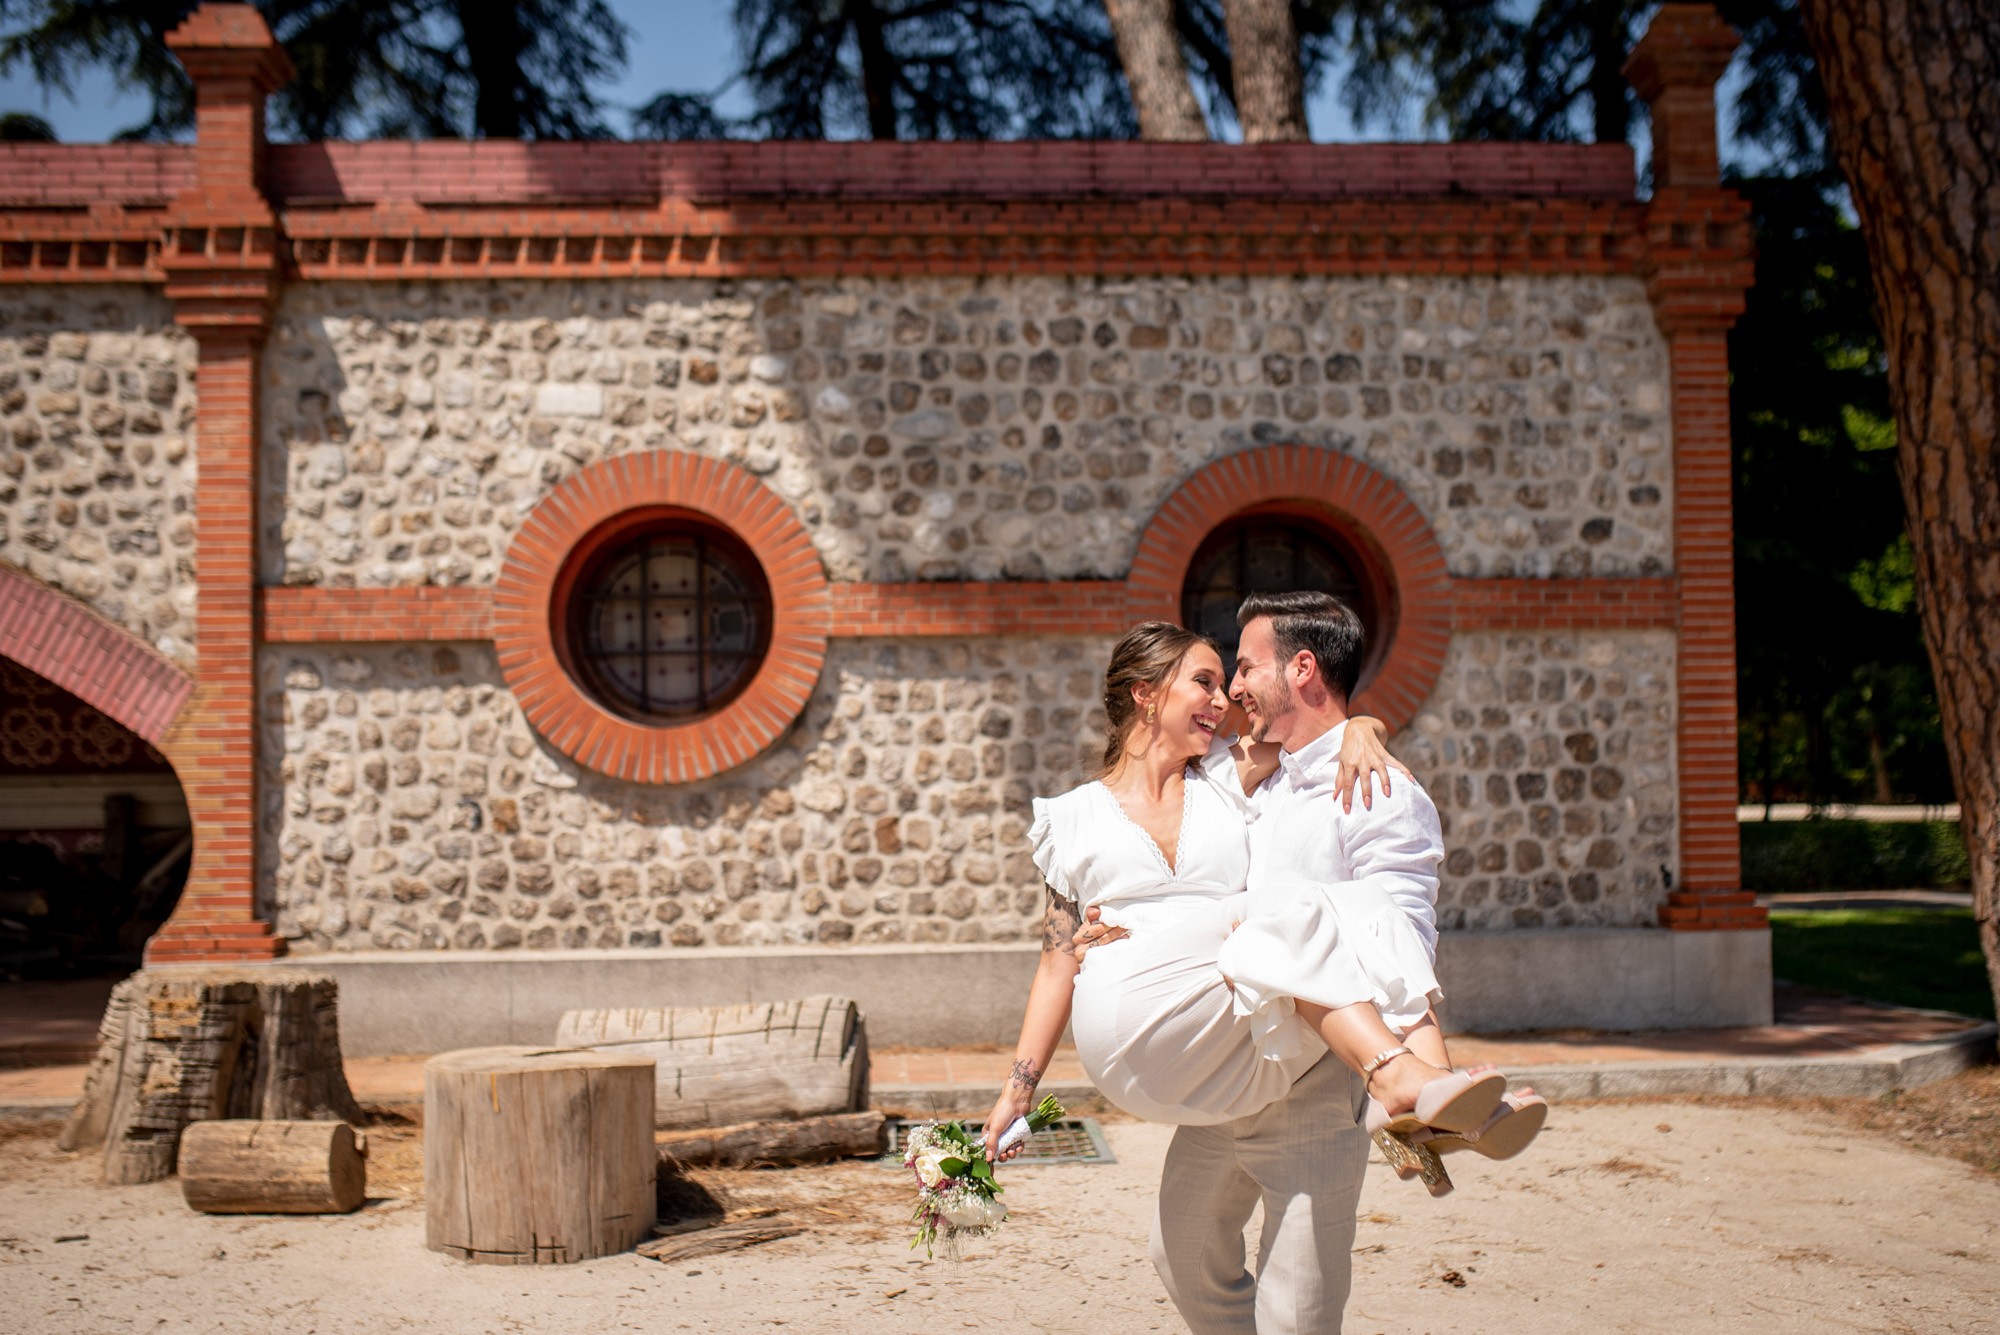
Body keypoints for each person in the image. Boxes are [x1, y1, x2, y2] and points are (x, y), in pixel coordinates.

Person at [985, 594, 1543, 1334]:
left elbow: (1323, 733)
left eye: (1232, 676)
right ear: (1145, 694)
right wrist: (1016, 1092)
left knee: (1229, 1271)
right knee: (1288, 910)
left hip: (1239, 1033)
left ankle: (1418, 1085)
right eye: (1206, 682)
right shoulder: (1074, 815)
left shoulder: (1228, 775)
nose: (1226, 698)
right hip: (1141, 1017)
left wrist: (1366, 729)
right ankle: (1411, 1075)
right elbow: (1057, 960)